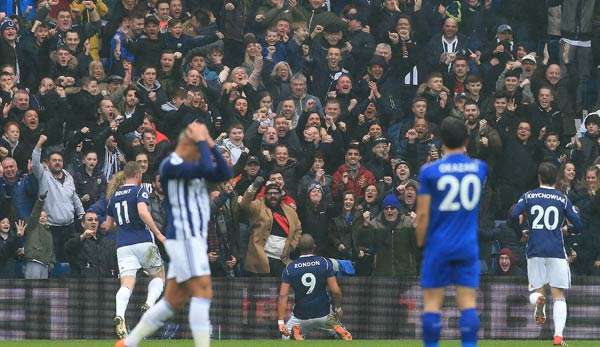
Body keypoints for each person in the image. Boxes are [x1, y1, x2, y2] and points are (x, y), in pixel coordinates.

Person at [116, 122, 232, 347]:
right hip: (184, 237)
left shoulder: (194, 166)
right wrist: (203, 141)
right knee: (203, 292)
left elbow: (225, 172)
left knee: (172, 301)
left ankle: (128, 343)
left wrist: (210, 144)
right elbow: (210, 170)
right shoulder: (171, 165)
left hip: (191, 238)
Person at [415, 117, 488, 347]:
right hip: (467, 244)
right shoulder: (479, 168)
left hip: (438, 244)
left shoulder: (429, 171)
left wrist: (420, 242)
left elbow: (423, 214)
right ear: (466, 140)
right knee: (467, 303)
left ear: (441, 141)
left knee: (432, 304)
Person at [510, 162, 583, 347]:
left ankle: (538, 300)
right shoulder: (562, 198)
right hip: (556, 251)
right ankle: (558, 337)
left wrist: (521, 233)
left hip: (534, 249)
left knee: (537, 290)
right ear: (556, 178)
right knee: (559, 295)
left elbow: (512, 214)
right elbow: (578, 223)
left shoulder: (528, 196)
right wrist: (567, 229)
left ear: (539, 177)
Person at [103, 162, 167, 339]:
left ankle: (120, 314)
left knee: (126, 284)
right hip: (143, 241)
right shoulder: (140, 190)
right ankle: (149, 303)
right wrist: (159, 234)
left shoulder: (114, 195)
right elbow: (143, 212)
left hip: (123, 245)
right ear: (138, 175)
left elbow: (108, 225)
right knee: (159, 275)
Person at [276, 234, 352, 341]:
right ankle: (337, 328)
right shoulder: (325, 263)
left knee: (285, 337)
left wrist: (280, 322)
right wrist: (338, 308)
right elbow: (335, 290)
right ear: (314, 246)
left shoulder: (290, 268)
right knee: (344, 337)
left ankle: (295, 332)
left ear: (298, 248)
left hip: (300, 316)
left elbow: (283, 295)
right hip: (324, 314)